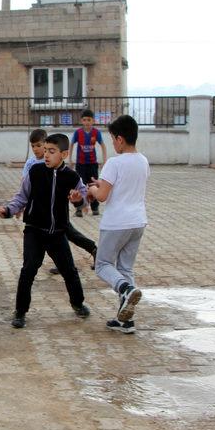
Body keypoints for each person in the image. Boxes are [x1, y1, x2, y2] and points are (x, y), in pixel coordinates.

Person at [0, 133, 91, 329]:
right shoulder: (35, 172)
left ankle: (78, 303)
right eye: (45, 150)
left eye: (51, 151)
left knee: (69, 271)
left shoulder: (72, 176)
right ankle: (20, 312)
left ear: (64, 154)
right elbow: (21, 197)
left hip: (57, 233)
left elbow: (83, 199)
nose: (46, 155)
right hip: (34, 231)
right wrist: (8, 210)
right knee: (28, 270)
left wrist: (78, 201)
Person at [87, 115, 149, 334]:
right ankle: (126, 321)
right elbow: (121, 187)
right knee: (125, 268)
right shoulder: (143, 160)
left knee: (103, 264)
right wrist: (102, 184)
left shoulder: (114, 162)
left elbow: (102, 196)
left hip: (116, 223)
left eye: (113, 138)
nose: (112, 143)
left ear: (120, 139)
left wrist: (93, 189)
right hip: (138, 222)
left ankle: (124, 288)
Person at [22, 129, 97, 276]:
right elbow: (25, 186)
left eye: (40, 146)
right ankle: (67, 260)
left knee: (67, 235)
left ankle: (92, 250)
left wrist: (80, 201)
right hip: (40, 212)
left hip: (56, 212)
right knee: (59, 237)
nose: (37, 149)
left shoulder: (55, 164)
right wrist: (20, 204)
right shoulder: (32, 163)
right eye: (33, 146)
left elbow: (76, 187)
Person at [69, 109, 107, 217]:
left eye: (89, 120)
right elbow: (71, 144)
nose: (87, 122)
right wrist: (70, 160)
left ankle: (95, 207)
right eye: (84, 120)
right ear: (82, 121)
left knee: (93, 185)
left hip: (92, 164)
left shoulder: (96, 133)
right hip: (80, 164)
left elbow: (103, 145)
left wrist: (105, 160)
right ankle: (79, 208)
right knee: (79, 186)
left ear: (93, 121)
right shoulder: (78, 133)